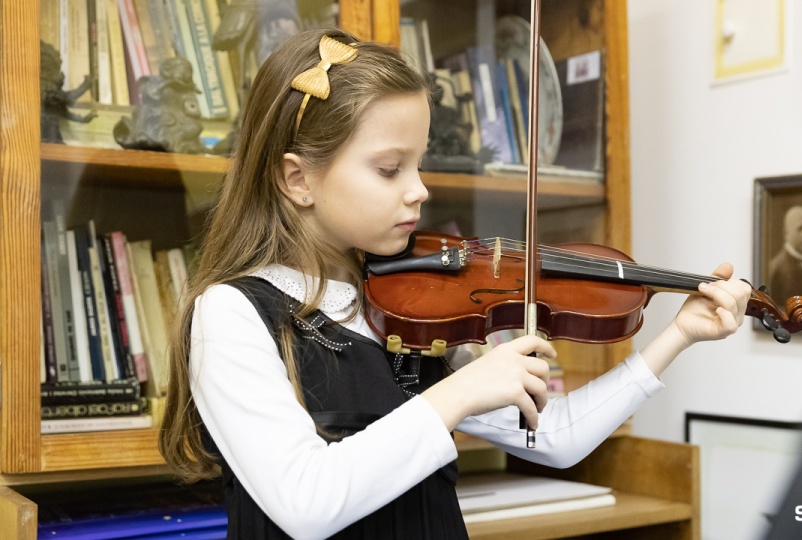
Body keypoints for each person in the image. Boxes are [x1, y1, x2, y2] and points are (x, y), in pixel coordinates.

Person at [158, 27, 753, 539]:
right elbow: (306, 502)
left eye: (419, 165)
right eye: (390, 169)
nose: (418, 190)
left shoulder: (406, 305)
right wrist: (461, 392)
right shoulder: (232, 312)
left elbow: (556, 438)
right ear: (298, 179)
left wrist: (677, 336)